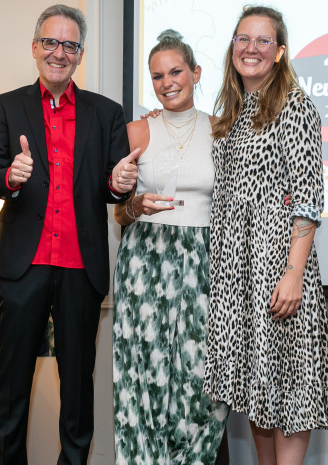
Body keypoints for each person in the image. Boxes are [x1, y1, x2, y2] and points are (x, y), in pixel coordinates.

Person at [0, 5, 140, 464]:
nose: (59, 52)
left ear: (80, 55)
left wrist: (120, 183)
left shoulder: (106, 113)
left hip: (80, 267)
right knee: (9, 389)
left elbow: (112, 186)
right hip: (22, 263)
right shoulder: (7, 106)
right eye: (50, 42)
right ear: (35, 48)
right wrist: (11, 176)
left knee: (77, 391)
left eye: (69, 45)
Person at [204, 6, 328, 465]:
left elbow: (307, 200)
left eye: (264, 41)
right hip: (238, 277)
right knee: (260, 392)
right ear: (232, 47)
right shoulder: (231, 114)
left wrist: (294, 274)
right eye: (243, 39)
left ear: (279, 52)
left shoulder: (295, 106)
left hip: (279, 271)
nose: (251, 48)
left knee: (292, 392)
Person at [111, 29, 228, 465]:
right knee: (143, 374)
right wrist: (136, 204)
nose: (167, 82)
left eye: (176, 71)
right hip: (145, 258)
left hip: (207, 258)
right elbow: (118, 214)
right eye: (157, 75)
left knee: (202, 380)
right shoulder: (136, 131)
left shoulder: (222, 131)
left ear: (196, 73)